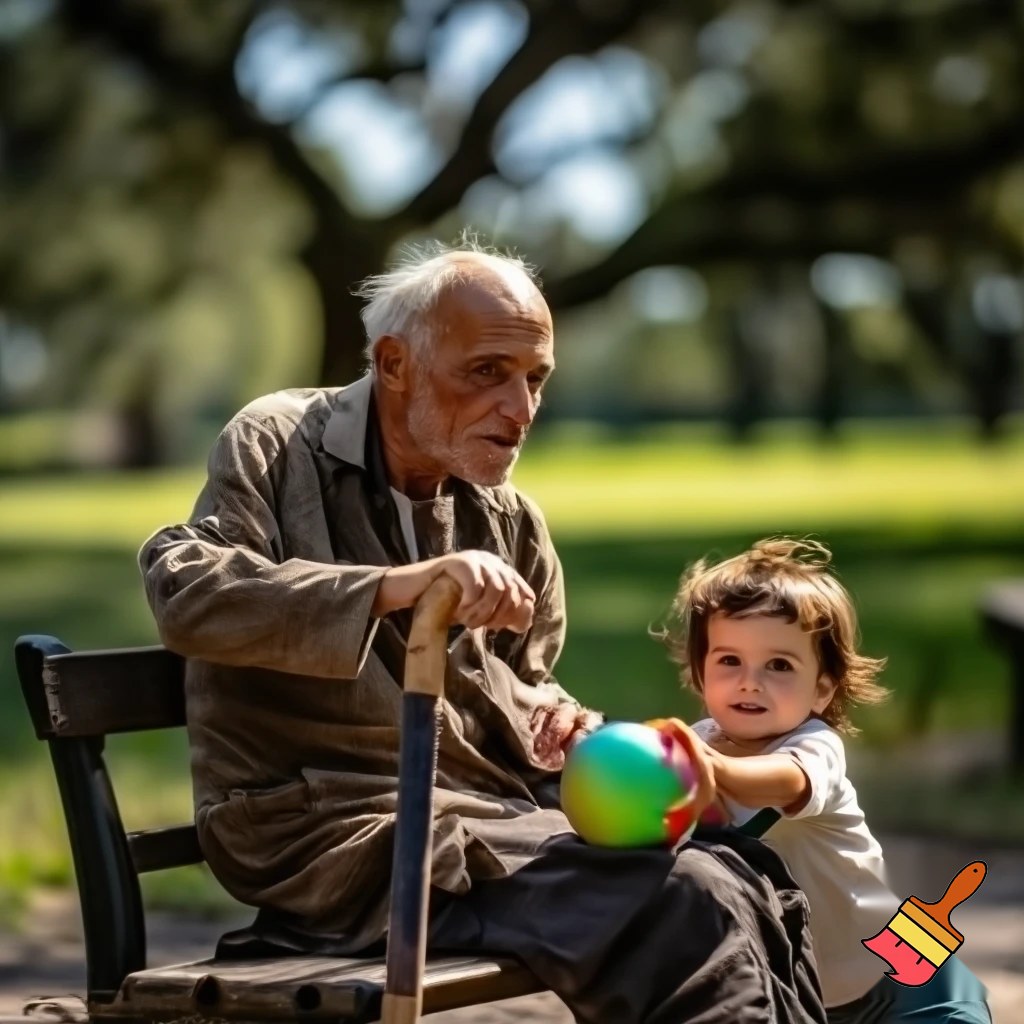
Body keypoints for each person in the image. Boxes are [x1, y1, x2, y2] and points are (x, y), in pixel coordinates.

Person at [138, 239, 827, 1023]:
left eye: (536, 379)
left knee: (743, 868)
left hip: (479, 818)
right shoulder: (277, 442)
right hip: (334, 835)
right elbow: (189, 593)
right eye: (488, 373)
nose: (522, 409)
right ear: (394, 364)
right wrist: (403, 589)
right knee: (685, 896)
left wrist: (558, 721)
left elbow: (525, 677)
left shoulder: (507, 519)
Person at [652, 537, 992, 1023]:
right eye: (729, 661)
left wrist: (709, 768)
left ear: (822, 690)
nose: (751, 681)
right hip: (808, 990)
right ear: (700, 676)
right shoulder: (699, 744)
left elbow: (786, 783)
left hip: (903, 978)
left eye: (779, 665)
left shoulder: (813, 747)